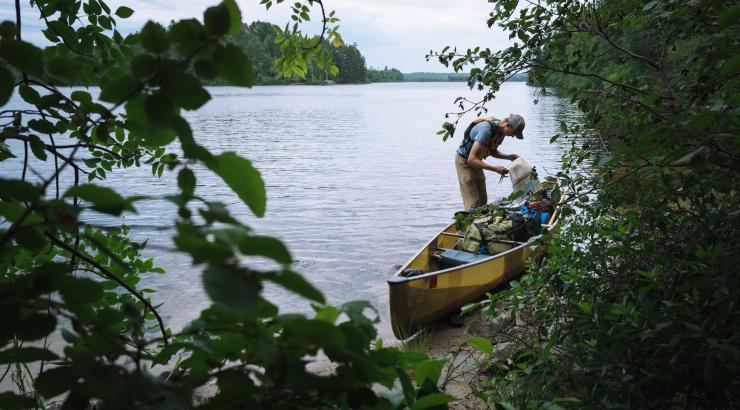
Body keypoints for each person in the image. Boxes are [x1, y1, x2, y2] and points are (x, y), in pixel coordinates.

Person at [455, 114, 525, 210]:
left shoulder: (501, 133)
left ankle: (480, 222)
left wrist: (509, 157)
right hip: (464, 162)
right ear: (507, 125)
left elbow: (492, 151)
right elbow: (471, 159)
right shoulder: (486, 130)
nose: (513, 136)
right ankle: (468, 222)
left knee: (483, 200)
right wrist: (495, 169)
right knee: (473, 203)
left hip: (477, 162)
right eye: (514, 133)